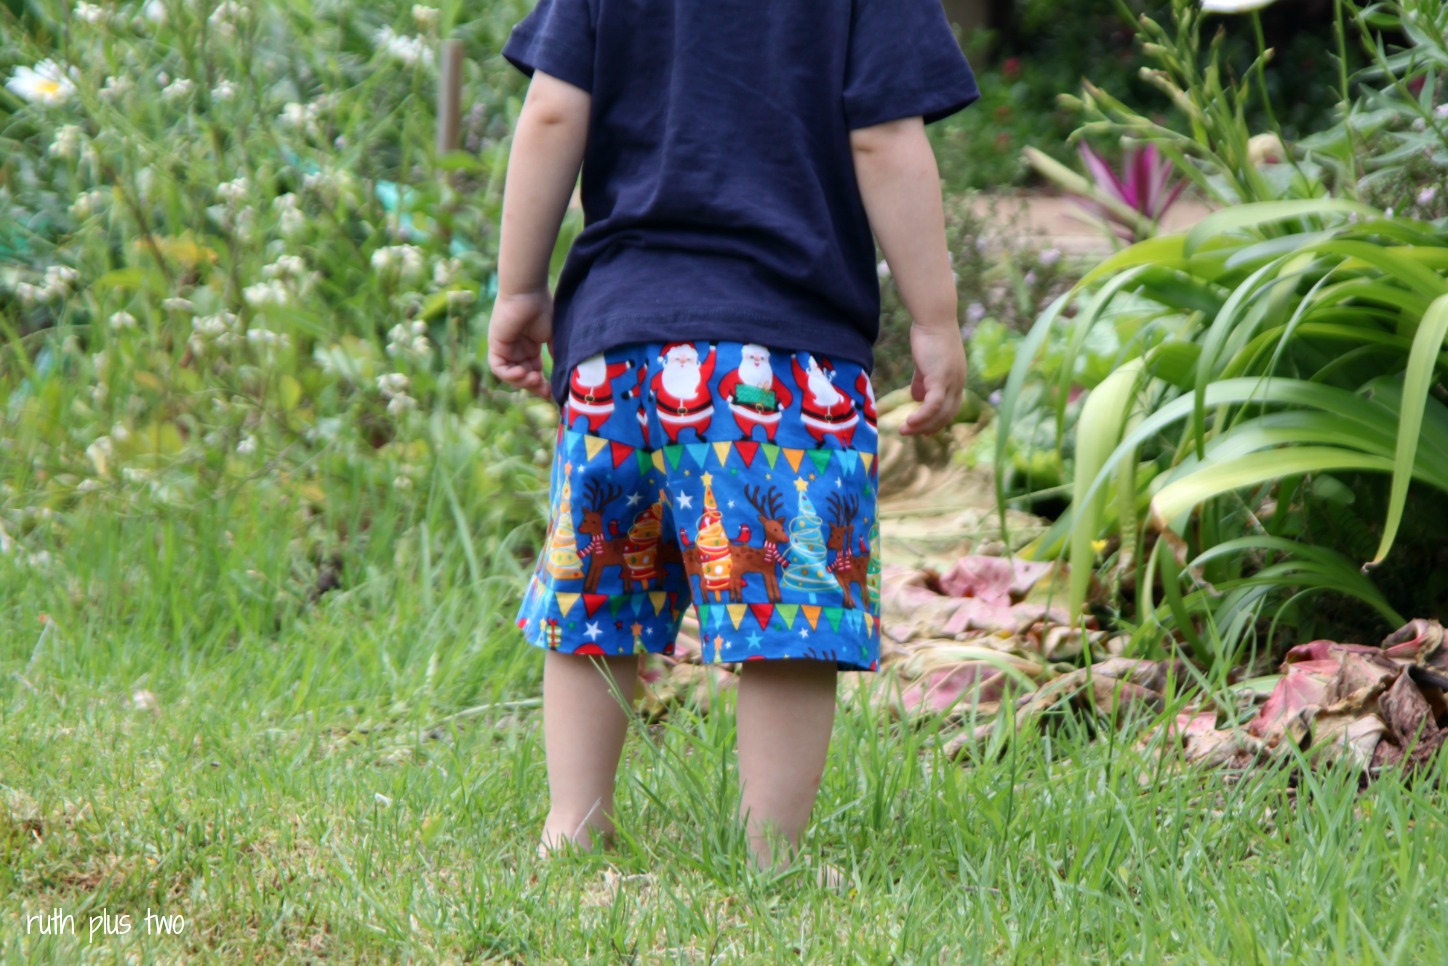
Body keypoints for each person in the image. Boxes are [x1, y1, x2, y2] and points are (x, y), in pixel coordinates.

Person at [488, 0, 977, 879]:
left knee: (600, 588)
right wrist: (935, 318)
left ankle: (573, 824)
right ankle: (771, 852)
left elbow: (554, 110)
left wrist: (520, 289)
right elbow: (884, 141)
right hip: (781, 352)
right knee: (788, 605)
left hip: (619, 350)